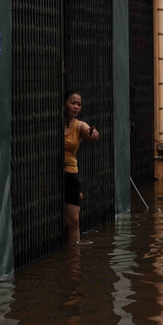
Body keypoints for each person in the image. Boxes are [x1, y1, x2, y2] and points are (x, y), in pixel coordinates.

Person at [63, 90, 100, 245]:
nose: (76, 107)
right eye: (73, 102)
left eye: (79, 104)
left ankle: (73, 259)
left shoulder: (79, 125)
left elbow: (91, 134)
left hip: (70, 174)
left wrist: (92, 133)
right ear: (64, 103)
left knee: (74, 221)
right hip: (50, 175)